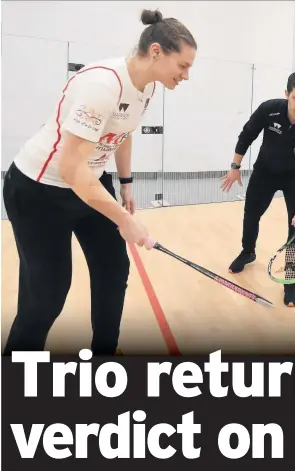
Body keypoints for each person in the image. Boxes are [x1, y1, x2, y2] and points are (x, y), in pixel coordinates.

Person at [2, 9, 197, 356]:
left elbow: (122, 132)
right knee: (47, 294)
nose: (186, 75)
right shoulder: (101, 86)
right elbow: (71, 170)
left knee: (113, 268)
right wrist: (125, 220)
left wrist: (125, 184)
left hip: (89, 184)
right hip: (38, 192)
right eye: (182, 66)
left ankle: (105, 354)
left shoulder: (148, 86)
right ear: (156, 51)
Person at [220, 70, 295, 307]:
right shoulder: (269, 109)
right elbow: (247, 134)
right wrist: (234, 166)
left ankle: (291, 279)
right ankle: (247, 251)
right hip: (265, 172)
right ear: (286, 94)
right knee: (251, 214)